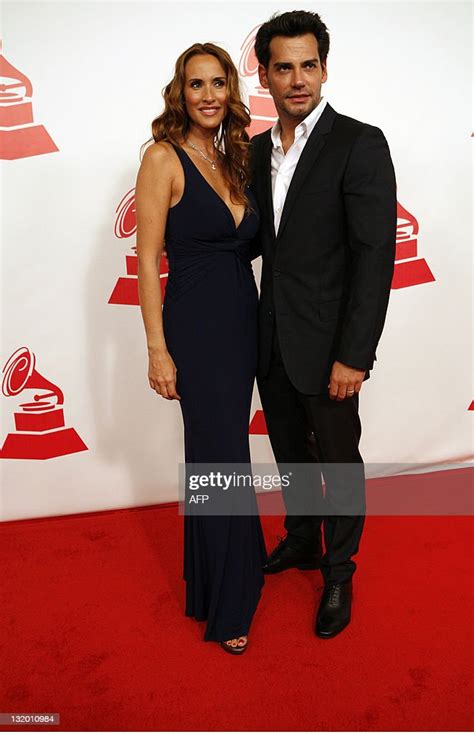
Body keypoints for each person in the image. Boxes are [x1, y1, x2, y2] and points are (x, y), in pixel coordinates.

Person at [250, 11, 397, 638]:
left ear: (325, 68)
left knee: (339, 462)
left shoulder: (359, 143)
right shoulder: (254, 151)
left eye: (308, 64)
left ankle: (340, 571)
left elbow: (373, 257)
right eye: (284, 67)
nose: (298, 78)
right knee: (291, 456)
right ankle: (303, 539)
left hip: (331, 347)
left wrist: (353, 355)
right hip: (272, 341)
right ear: (265, 76)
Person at [135, 42, 266, 654]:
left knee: (228, 456)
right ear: (179, 93)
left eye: (218, 83)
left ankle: (216, 581)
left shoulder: (230, 156)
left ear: (231, 92)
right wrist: (158, 349)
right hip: (198, 330)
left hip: (244, 324)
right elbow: (147, 261)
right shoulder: (163, 158)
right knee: (218, 460)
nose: (208, 95)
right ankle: (227, 603)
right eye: (196, 84)